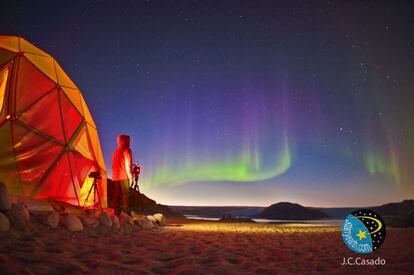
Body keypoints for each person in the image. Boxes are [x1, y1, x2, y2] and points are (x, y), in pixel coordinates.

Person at [111, 134, 133, 215]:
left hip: (115, 176)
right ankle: (126, 212)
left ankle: (116, 212)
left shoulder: (116, 151)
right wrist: (130, 176)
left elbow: (113, 165)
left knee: (116, 195)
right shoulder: (127, 149)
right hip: (124, 176)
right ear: (126, 140)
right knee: (125, 194)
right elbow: (128, 164)